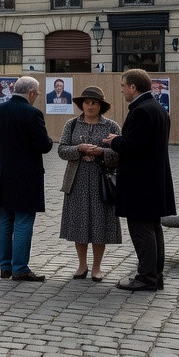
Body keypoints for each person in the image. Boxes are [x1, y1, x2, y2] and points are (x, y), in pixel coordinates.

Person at [104, 69, 177, 292]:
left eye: (123, 86)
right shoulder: (158, 109)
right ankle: (155, 275)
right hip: (154, 180)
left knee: (141, 229)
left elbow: (134, 145)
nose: (123, 90)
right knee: (153, 228)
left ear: (133, 87)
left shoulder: (141, 111)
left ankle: (146, 277)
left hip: (140, 182)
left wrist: (115, 141)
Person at [0, 76, 52, 282]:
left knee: (5, 219)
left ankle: (5, 267)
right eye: (37, 93)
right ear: (31, 93)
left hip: (2, 173)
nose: (37, 97)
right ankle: (20, 268)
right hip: (26, 175)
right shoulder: (32, 113)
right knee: (23, 219)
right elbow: (45, 145)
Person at [57, 86, 122, 282]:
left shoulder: (111, 126)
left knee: (99, 222)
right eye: (87, 102)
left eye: (94, 103)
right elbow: (61, 150)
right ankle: (82, 264)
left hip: (101, 179)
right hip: (76, 179)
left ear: (101, 106)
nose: (90, 106)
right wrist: (79, 148)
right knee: (79, 222)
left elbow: (120, 153)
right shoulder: (72, 124)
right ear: (81, 104)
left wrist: (101, 152)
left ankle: (97, 267)